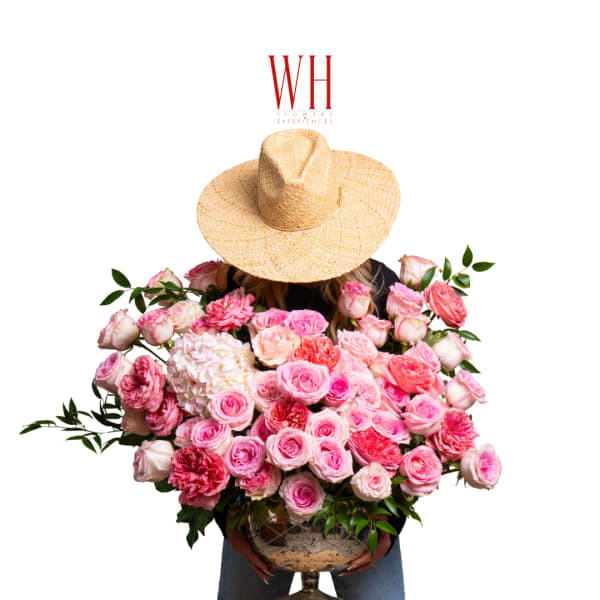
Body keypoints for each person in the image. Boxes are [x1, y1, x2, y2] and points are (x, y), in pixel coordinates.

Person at [195, 129, 405, 599]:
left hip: (362, 505)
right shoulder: (233, 296)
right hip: (256, 503)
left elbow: (411, 415)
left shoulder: (378, 289)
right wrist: (229, 521)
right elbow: (202, 413)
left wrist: (387, 527)